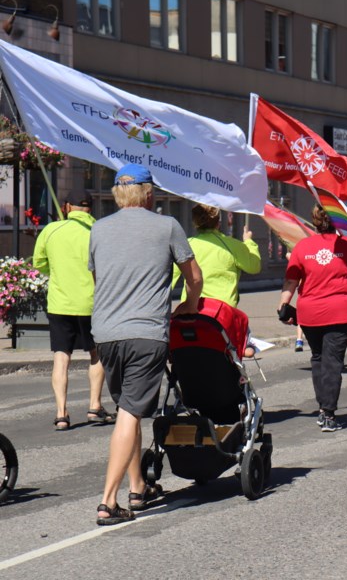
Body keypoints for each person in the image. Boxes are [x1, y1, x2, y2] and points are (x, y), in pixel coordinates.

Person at [90, 164, 202, 526]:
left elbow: (98, 276)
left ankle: (138, 486)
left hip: (106, 334)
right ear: (149, 193)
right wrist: (190, 303)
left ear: (119, 194)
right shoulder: (167, 226)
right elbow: (194, 276)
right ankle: (108, 501)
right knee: (129, 412)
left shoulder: (99, 229)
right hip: (146, 332)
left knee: (128, 406)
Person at [279, 205, 347, 430]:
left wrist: (282, 304)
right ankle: (327, 412)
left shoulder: (303, 247)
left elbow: (291, 280)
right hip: (340, 310)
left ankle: (323, 407)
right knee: (333, 361)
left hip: (310, 312)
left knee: (319, 358)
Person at [33, 189, 114, 431]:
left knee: (61, 356)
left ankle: (61, 414)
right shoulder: (99, 231)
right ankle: (94, 406)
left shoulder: (51, 230)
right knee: (96, 353)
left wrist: (58, 275)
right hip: (92, 303)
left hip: (60, 303)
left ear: (67, 207)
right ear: (90, 208)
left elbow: (39, 263)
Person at [172, 204, 261, 308]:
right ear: (218, 222)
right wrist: (249, 242)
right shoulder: (233, 245)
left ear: (195, 223)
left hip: (192, 309)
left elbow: (169, 277)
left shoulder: (186, 245)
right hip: (223, 311)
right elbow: (254, 266)